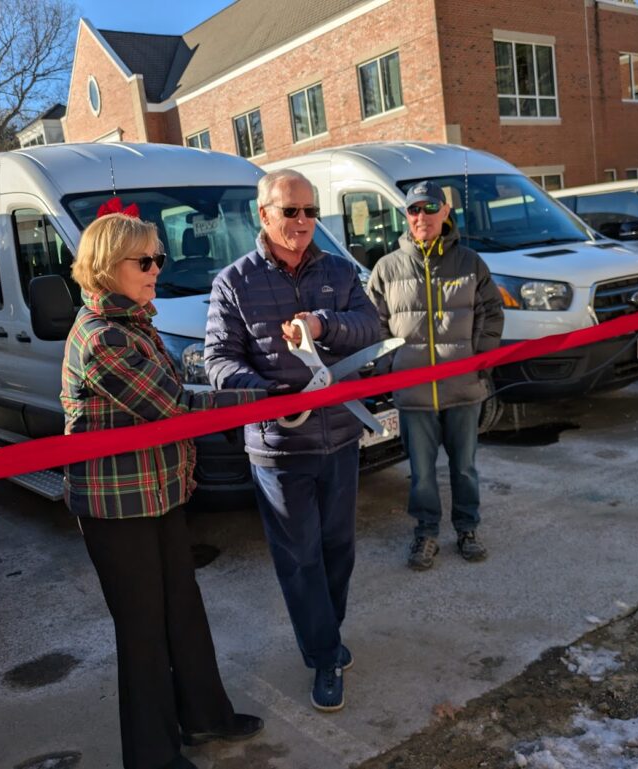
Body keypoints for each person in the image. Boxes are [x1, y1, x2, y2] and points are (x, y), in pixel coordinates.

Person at [61, 213, 264, 769]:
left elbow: (175, 394)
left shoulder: (136, 324)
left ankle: (205, 718)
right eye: (145, 261)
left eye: (158, 259)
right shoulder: (103, 337)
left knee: (183, 612)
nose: (157, 270)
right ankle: (152, 755)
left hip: (160, 496)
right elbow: (174, 407)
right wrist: (262, 401)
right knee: (144, 632)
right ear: (107, 267)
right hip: (117, 510)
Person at [203, 169, 380, 713]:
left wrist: (323, 325)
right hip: (279, 447)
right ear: (265, 215)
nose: (302, 222)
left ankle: (326, 635)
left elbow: (371, 327)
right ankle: (324, 655)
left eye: (310, 211)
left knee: (338, 551)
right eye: (290, 211)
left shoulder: (340, 270)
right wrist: (267, 393)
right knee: (299, 559)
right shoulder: (234, 282)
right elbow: (217, 361)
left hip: (342, 436)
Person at [366, 180, 504, 571]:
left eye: (429, 208)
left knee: (464, 468)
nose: (421, 216)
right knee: (421, 475)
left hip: (464, 390)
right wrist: (389, 368)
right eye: (413, 210)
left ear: (445, 212)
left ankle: (467, 528)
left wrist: (479, 358)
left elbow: (492, 313)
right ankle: (426, 533)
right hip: (413, 396)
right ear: (406, 216)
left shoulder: (470, 262)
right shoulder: (387, 269)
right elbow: (372, 324)